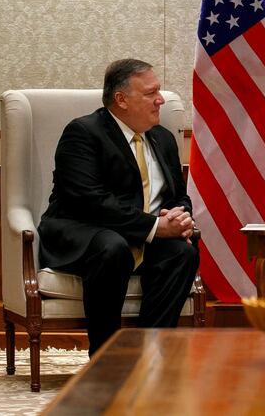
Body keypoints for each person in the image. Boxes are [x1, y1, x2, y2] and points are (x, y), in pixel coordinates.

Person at [38, 58, 199, 355]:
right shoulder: (83, 133)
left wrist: (179, 217)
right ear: (121, 99)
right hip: (84, 230)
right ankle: (105, 356)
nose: (160, 99)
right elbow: (90, 200)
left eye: (158, 91)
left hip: (142, 234)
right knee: (113, 248)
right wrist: (154, 227)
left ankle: (151, 352)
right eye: (151, 93)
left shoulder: (162, 138)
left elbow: (178, 194)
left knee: (182, 252)